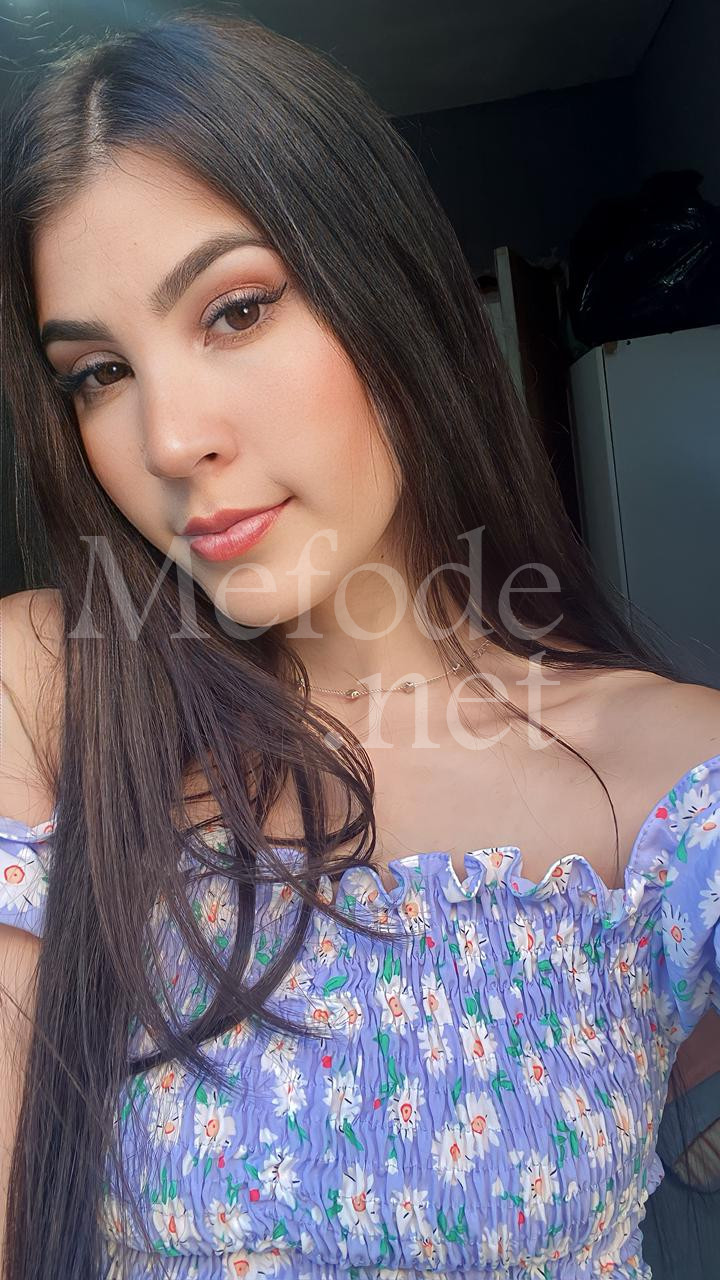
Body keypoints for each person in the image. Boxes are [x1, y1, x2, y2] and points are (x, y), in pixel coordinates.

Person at [0, 12, 718, 1280]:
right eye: (99, 372)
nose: (168, 440)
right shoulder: (51, 694)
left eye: (235, 310)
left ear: (389, 288)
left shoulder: (667, 782)